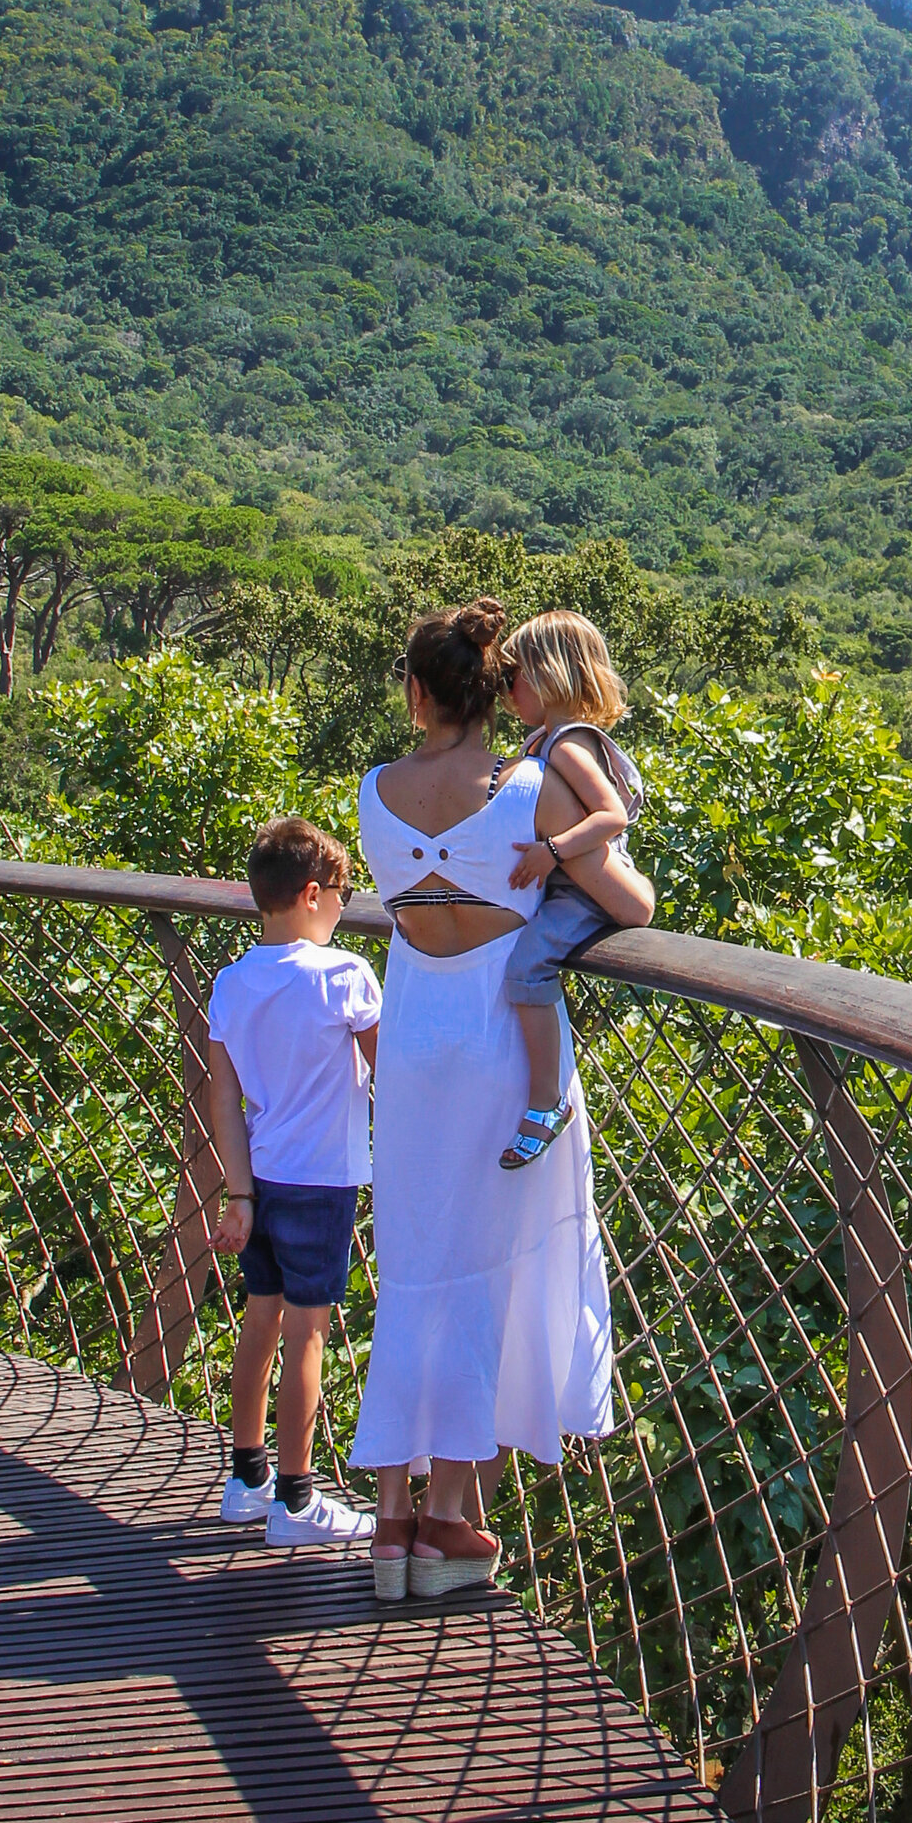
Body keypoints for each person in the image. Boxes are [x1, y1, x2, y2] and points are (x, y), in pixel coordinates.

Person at [348, 599, 616, 1607]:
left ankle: (390, 1523)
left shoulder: (374, 789)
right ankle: (451, 1517)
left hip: (412, 1037)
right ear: (494, 696)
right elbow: (622, 893)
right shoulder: (534, 787)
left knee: (416, 1260)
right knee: (493, 1264)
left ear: (418, 695)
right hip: (502, 1038)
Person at [204, 813, 381, 1552]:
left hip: (264, 1179)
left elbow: (222, 1097)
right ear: (312, 894)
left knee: (261, 1322)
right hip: (323, 1181)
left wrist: (237, 1193)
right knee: (309, 1335)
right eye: (343, 891)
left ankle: (246, 1482)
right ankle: (298, 1499)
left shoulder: (232, 982)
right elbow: (391, 1070)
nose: (347, 904)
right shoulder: (346, 976)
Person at [497, 610, 654, 1168]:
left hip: (583, 891)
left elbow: (612, 815)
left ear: (544, 674)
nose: (506, 691)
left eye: (511, 675)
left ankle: (546, 1101)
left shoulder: (565, 745)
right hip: (568, 885)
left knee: (525, 966)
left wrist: (554, 851)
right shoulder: (545, 739)